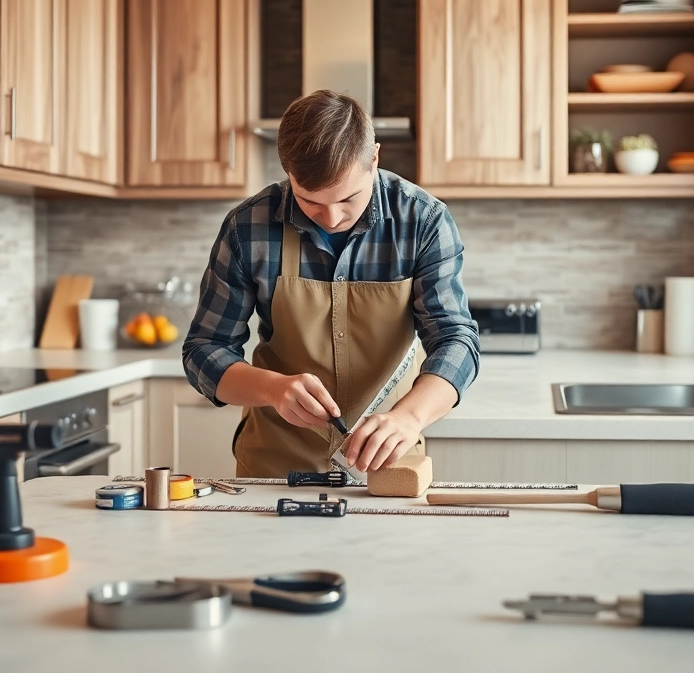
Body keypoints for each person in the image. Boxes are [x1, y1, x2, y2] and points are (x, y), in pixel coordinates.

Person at [182, 90, 480, 478]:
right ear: (288, 172)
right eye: (310, 202)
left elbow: (456, 340)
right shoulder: (248, 227)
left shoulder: (423, 221)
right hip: (272, 471)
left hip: (388, 470)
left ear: (374, 157)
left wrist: (409, 417)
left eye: (348, 199)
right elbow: (204, 350)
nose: (332, 217)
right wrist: (273, 389)